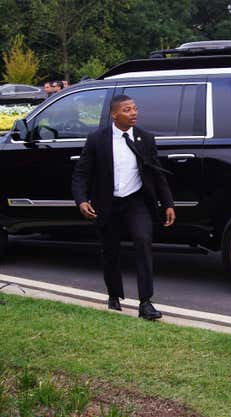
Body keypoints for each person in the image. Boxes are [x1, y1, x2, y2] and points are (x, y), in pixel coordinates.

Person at [71, 95, 176, 320]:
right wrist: (82, 200)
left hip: (136, 202)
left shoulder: (145, 139)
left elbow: (157, 174)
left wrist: (168, 203)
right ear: (114, 114)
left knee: (143, 241)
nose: (134, 113)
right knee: (110, 250)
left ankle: (146, 302)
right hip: (107, 203)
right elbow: (81, 174)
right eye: (128, 110)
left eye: (135, 109)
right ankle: (114, 296)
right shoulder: (97, 139)